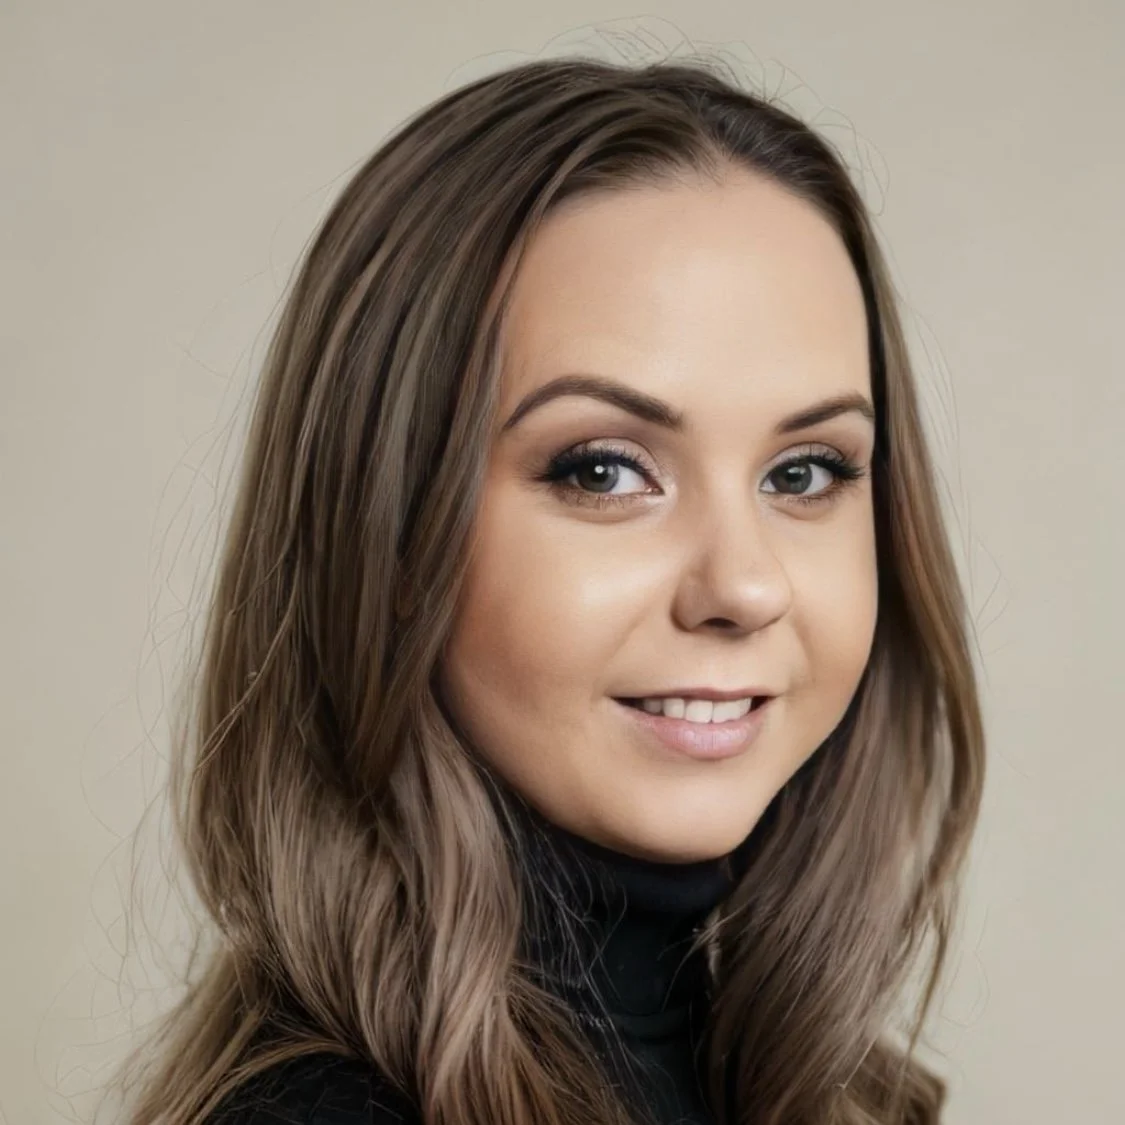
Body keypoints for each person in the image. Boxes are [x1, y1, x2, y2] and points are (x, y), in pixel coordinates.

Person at [104, 55, 986, 1125]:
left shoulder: (815, 1091)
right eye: (604, 469)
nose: (746, 586)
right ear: (384, 540)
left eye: (803, 473)